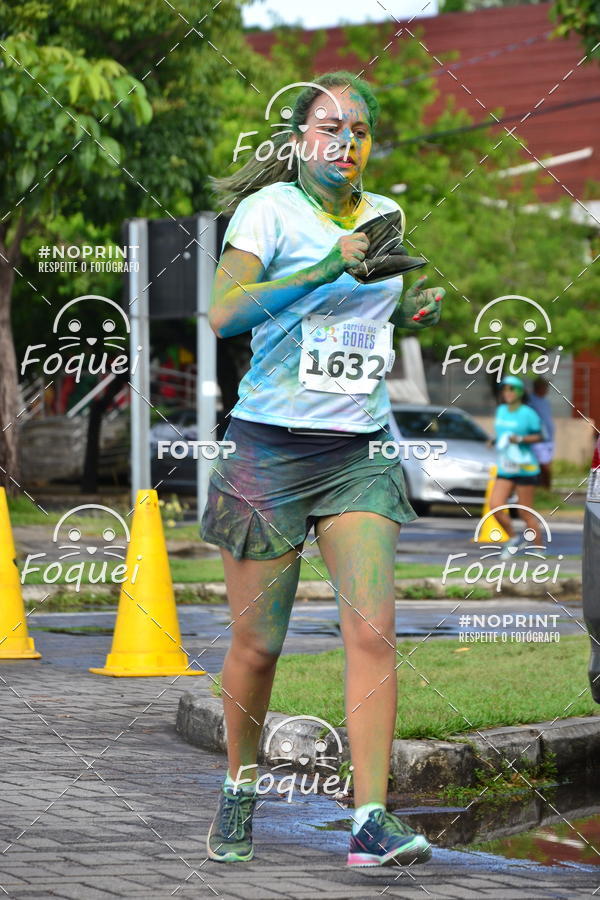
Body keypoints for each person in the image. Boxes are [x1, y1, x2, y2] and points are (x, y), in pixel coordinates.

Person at [200, 72, 445, 868]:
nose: (347, 141)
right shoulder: (267, 212)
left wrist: (413, 310)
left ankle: (370, 820)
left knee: (373, 630)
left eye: (360, 130)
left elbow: (364, 323)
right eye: (331, 127)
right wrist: (324, 269)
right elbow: (223, 314)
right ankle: (239, 787)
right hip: (267, 452)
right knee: (259, 646)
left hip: (357, 452)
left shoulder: (384, 214)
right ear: (299, 140)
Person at [489, 375, 544, 556]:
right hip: (506, 467)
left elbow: (540, 436)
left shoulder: (528, 413)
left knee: (524, 512)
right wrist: (495, 441)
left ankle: (538, 549)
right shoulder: (501, 410)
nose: (507, 392)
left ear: (520, 392)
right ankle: (513, 538)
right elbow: (502, 434)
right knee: (495, 505)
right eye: (505, 389)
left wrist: (519, 439)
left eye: (512, 389)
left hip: (525, 467)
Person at [528, 376, 555, 489]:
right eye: (545, 386)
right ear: (538, 387)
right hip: (538, 440)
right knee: (544, 466)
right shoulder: (530, 401)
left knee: (546, 466)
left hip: (549, 439)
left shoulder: (545, 402)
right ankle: (545, 490)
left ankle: (545, 491)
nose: (547, 389)